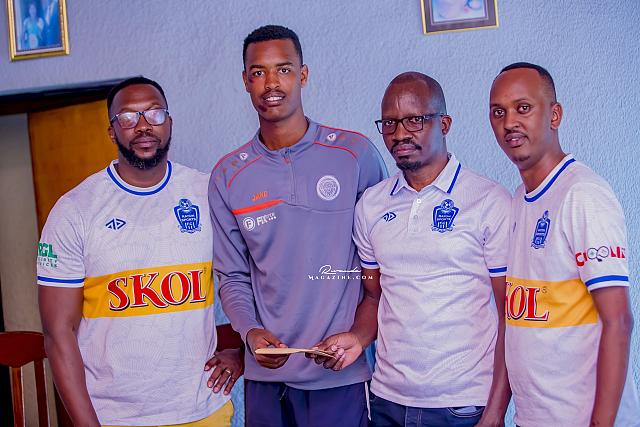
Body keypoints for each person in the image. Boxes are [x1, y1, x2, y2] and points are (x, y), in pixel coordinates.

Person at [38, 77, 242, 427]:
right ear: (112, 131)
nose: (144, 125)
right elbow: (58, 333)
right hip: (115, 417)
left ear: (170, 122)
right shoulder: (75, 210)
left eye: (154, 113)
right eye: (129, 117)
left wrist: (245, 353)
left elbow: (262, 274)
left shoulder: (208, 192)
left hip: (202, 411)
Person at [210, 25, 387, 426]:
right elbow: (233, 276)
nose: (271, 83)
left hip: (341, 375)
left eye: (284, 69)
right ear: (245, 81)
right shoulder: (228, 175)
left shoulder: (354, 155)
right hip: (265, 380)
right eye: (258, 72)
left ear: (303, 75)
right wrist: (250, 333)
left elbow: (383, 266)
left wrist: (361, 335)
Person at [312, 72, 512, 426]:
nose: (400, 133)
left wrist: (495, 411)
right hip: (388, 401)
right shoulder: (371, 205)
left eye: (414, 120)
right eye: (389, 123)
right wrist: (357, 338)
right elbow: (374, 296)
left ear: (444, 124)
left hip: (461, 406)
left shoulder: (489, 201)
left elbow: (510, 315)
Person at [489, 62, 640, 426]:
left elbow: (619, 321)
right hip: (533, 417)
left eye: (523, 108)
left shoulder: (582, 194)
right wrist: (496, 413)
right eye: (498, 112)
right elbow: (514, 317)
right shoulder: (518, 200)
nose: (509, 122)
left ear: (554, 114)